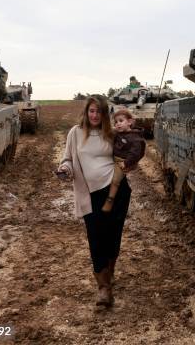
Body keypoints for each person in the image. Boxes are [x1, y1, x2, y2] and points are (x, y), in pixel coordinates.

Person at [56, 95, 132, 307]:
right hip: (90, 195)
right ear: (86, 112)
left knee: (113, 236)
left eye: (99, 111)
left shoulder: (112, 133)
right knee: (95, 238)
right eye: (91, 111)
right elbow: (67, 159)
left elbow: (130, 151)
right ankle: (103, 288)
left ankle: (110, 272)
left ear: (105, 113)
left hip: (117, 192)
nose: (95, 115)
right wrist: (64, 169)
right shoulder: (76, 133)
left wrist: (131, 160)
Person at [102, 110, 144, 212]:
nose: (118, 124)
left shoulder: (135, 138)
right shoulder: (119, 133)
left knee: (115, 180)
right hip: (113, 158)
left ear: (129, 122)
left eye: (121, 121)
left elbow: (134, 154)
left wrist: (126, 163)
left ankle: (110, 199)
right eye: (116, 122)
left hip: (122, 162)